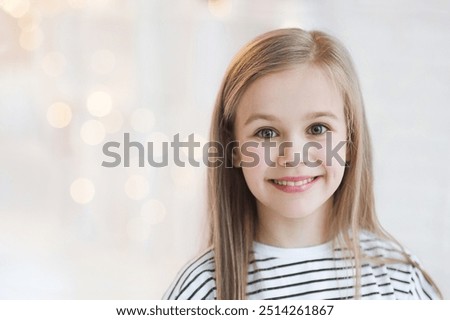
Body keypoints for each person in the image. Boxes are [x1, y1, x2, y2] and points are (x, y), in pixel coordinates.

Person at [163, 28, 442, 300]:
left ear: (350, 142)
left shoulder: (399, 280)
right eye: (266, 133)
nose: (294, 156)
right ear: (233, 148)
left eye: (318, 129)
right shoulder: (201, 290)